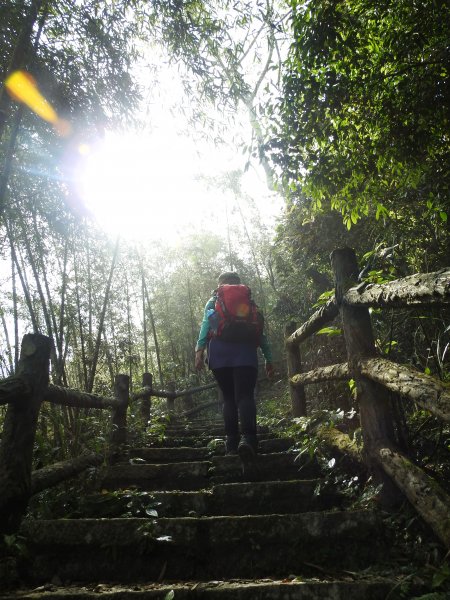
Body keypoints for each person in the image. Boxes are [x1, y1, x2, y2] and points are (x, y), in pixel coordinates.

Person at [195, 271, 274, 460]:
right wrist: (268, 358)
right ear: (239, 284)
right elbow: (259, 331)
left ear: (221, 284)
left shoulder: (214, 301)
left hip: (219, 356)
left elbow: (206, 326)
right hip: (245, 355)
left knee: (228, 398)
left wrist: (199, 352)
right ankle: (248, 440)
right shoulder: (248, 303)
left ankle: (231, 443)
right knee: (245, 396)